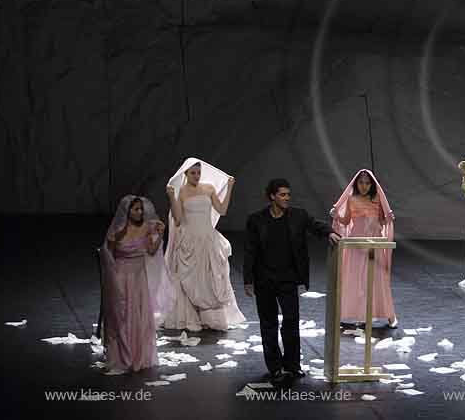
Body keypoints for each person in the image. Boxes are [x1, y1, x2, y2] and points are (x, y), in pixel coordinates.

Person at [243, 178, 341, 385]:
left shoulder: (298, 215)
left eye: (288, 195)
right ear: (272, 196)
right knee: (268, 324)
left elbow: (315, 226)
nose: (287, 198)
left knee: (291, 322)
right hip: (264, 280)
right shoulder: (256, 220)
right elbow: (250, 251)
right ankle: (275, 367)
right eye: (282, 195)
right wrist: (248, 280)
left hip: (288, 279)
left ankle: (293, 365)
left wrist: (330, 232)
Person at [162, 158, 246, 331]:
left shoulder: (208, 189)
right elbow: (177, 220)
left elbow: (222, 210)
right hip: (190, 241)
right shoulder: (181, 192)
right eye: (193, 173)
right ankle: (193, 316)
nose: (196, 176)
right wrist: (171, 197)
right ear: (186, 173)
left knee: (211, 278)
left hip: (208, 239)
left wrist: (230, 187)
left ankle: (211, 319)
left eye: (199, 172)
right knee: (191, 278)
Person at [99, 195, 171, 374]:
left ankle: (138, 354)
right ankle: (122, 355)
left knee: (137, 314)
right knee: (122, 314)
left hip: (139, 279)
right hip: (121, 277)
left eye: (141, 209)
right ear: (127, 211)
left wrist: (161, 234)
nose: (140, 212)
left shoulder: (146, 228)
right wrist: (112, 281)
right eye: (136, 209)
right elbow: (108, 256)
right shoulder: (117, 231)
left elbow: (152, 251)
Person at [331, 169, 398, 328]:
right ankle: (353, 313)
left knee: (378, 278)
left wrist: (388, 218)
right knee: (355, 278)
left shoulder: (377, 198)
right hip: (356, 243)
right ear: (356, 183)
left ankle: (389, 315)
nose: (364, 186)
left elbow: (381, 221)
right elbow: (346, 221)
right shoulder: (351, 199)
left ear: (372, 184)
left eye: (367, 183)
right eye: (361, 182)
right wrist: (336, 215)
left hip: (373, 242)